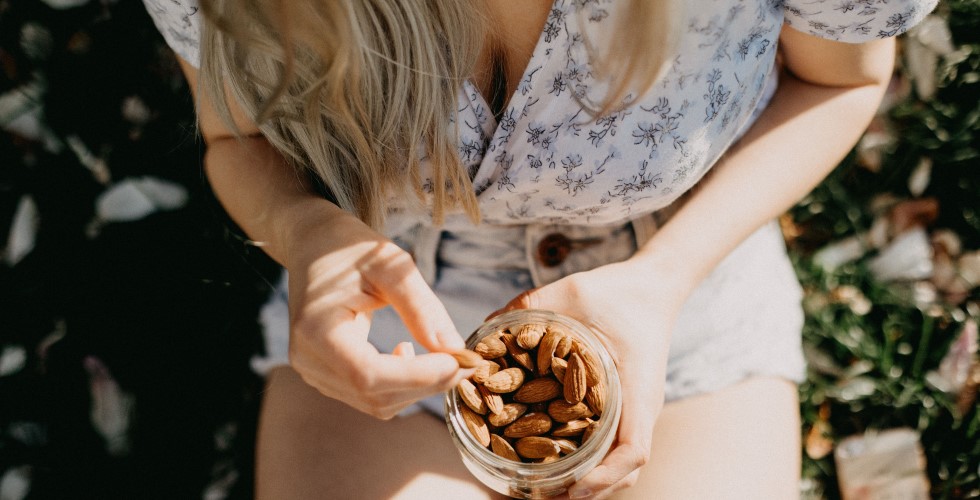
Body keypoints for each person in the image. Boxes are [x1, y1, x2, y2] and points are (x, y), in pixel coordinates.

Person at [143, 0, 937, 498]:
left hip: (685, 288)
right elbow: (237, 136)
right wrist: (307, 231)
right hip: (395, 312)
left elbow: (843, 81)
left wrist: (664, 279)